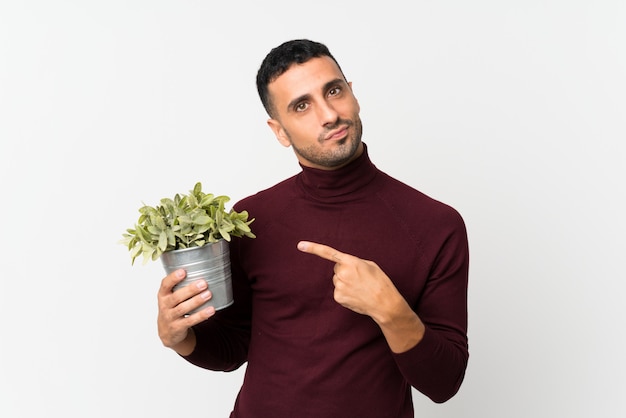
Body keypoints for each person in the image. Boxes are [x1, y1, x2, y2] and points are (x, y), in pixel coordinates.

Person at [157, 39, 469, 418]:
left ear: (353, 94)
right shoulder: (250, 220)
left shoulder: (436, 225)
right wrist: (181, 338)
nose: (328, 115)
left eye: (333, 91)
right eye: (301, 106)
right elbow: (233, 347)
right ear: (279, 131)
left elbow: (444, 382)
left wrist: (390, 309)